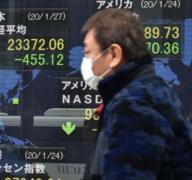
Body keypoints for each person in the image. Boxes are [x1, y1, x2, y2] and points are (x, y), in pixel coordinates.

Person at [80, 8, 192, 179]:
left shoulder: (133, 105)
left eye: (88, 53)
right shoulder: (152, 91)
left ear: (114, 54)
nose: (87, 62)